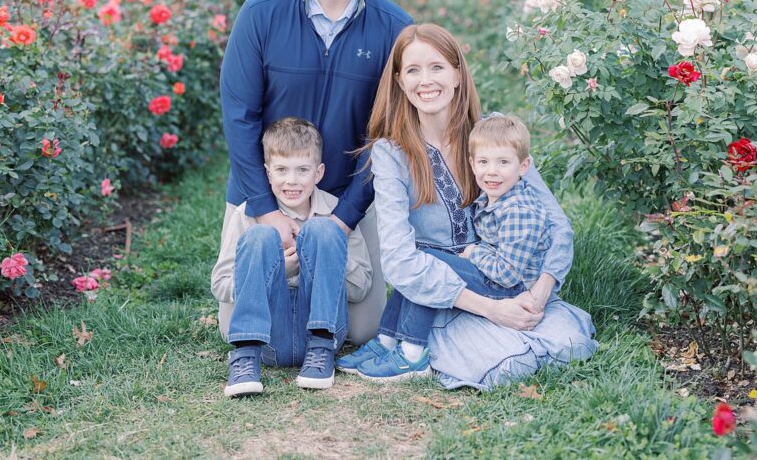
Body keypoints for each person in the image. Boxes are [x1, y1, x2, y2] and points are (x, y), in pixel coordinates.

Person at [335, 23, 597, 389]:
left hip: (503, 276)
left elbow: (558, 226)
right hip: (438, 292)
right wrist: (492, 310)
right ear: (399, 81)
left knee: (561, 337)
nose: (426, 80)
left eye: (437, 67)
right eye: (413, 70)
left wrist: (537, 296)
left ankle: (399, 344)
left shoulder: (493, 136)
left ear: (458, 74)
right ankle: (390, 343)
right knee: (494, 351)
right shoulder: (390, 153)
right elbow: (399, 261)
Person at [213, 0, 412, 347]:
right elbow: (240, 117)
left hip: (346, 194)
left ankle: (312, 323)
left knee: (361, 331)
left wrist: (343, 218)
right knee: (235, 328)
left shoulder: (394, 27)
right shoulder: (261, 14)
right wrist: (263, 209)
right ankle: (288, 319)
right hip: (269, 187)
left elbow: (391, 135)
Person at [352, 114, 550, 381]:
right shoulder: (500, 196)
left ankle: (412, 355)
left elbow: (507, 273)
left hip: (509, 287)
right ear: (472, 164)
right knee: (416, 263)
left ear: (523, 166)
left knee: (429, 263)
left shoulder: (519, 211)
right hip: (490, 272)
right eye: (484, 162)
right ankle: (387, 341)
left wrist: (474, 253)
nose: (492, 171)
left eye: (503, 162)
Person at [212, 118, 373, 395]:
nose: (292, 180)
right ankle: (244, 356)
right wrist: (278, 271)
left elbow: (360, 288)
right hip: (269, 338)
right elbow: (220, 284)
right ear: (267, 173)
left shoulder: (334, 213)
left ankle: (321, 347)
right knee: (261, 236)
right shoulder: (248, 214)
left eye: (302, 170)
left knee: (323, 229)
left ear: (318, 173)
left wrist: (325, 259)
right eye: (282, 170)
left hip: (325, 336)